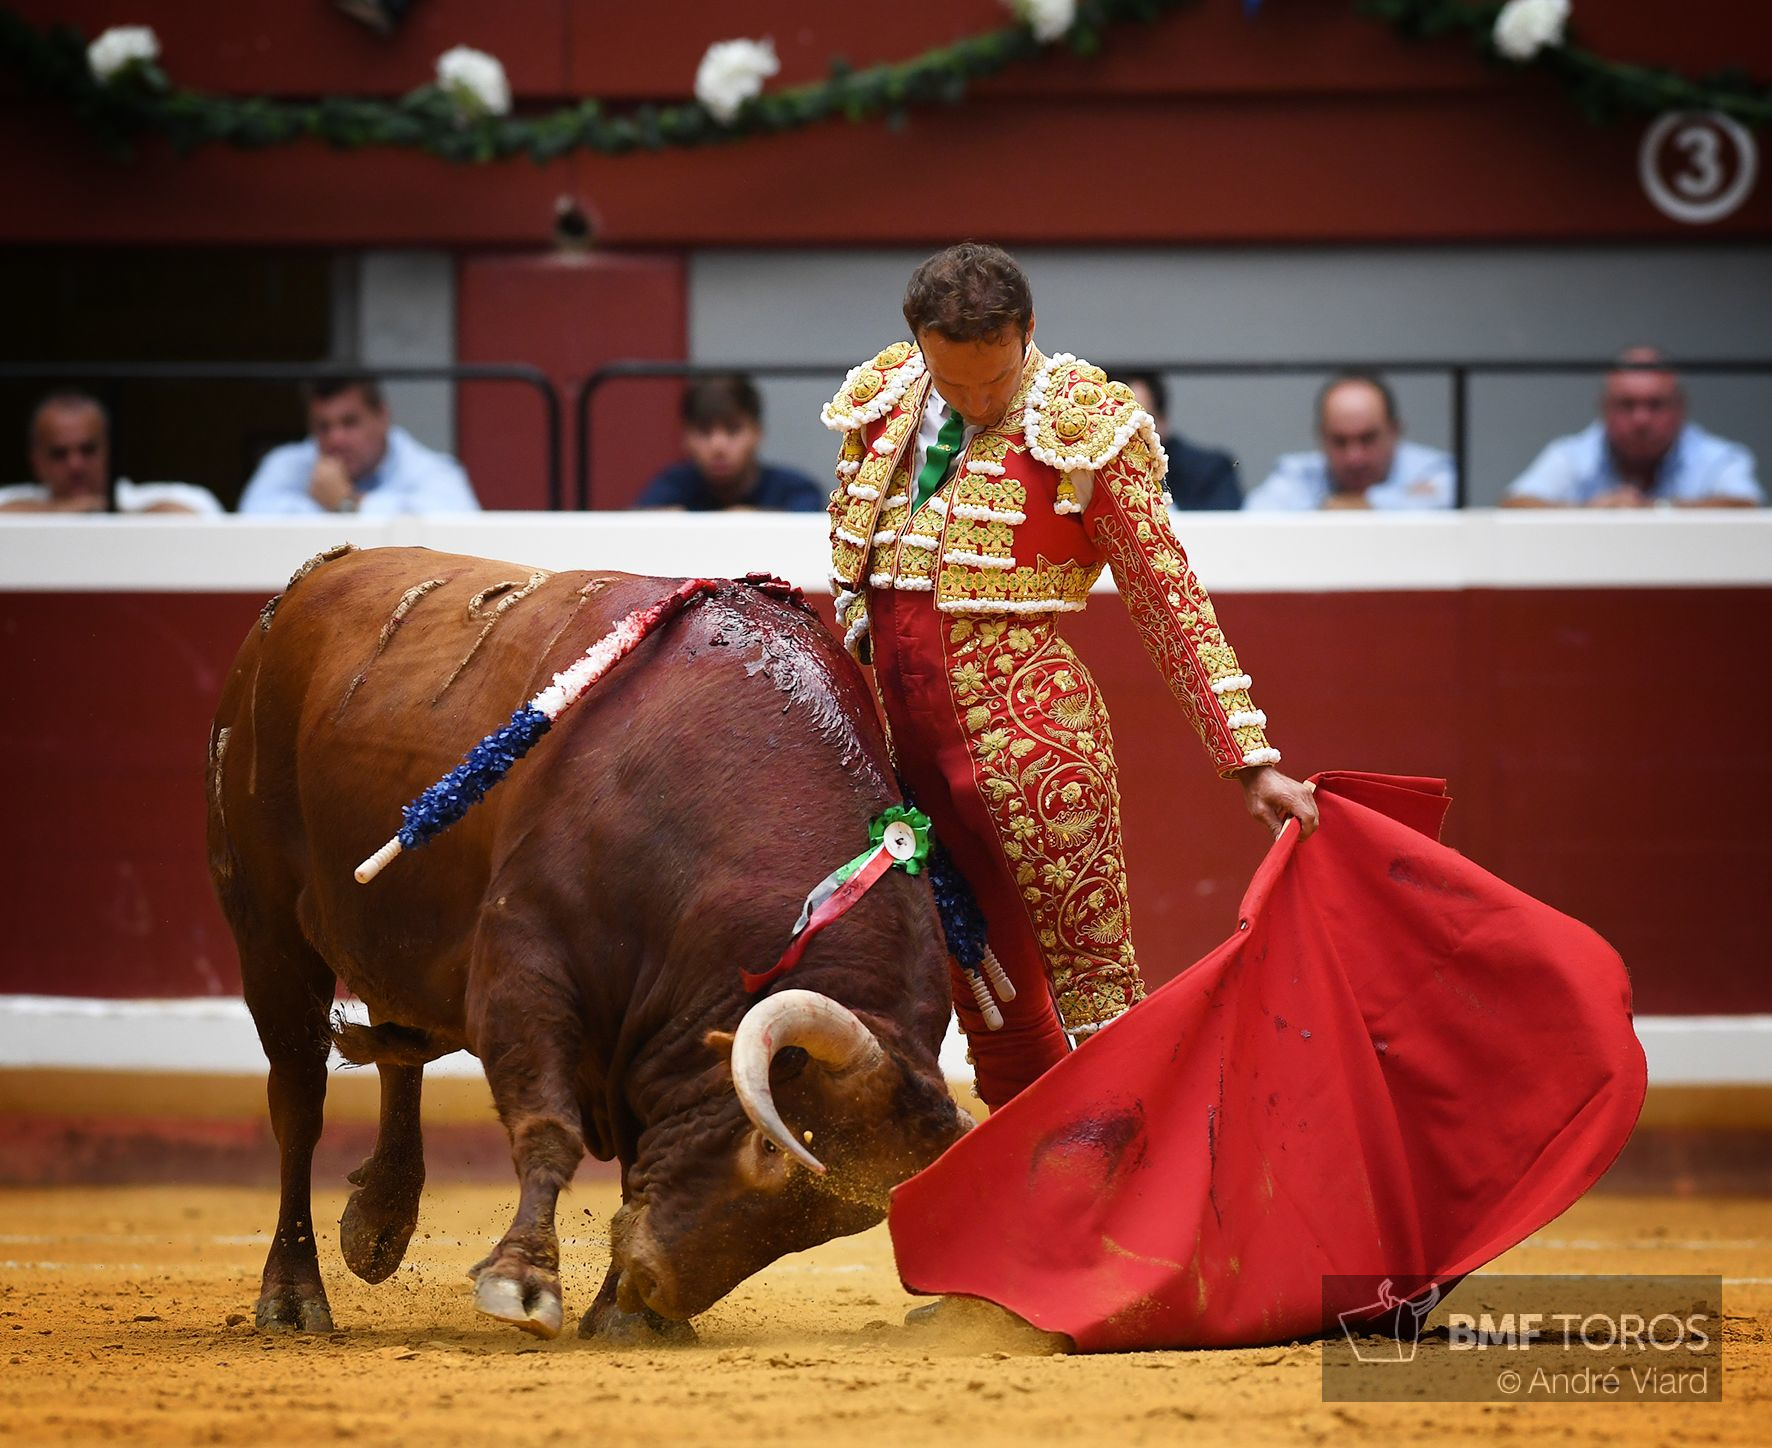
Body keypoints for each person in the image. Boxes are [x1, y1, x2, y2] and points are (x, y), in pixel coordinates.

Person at [823, 242, 1317, 1111]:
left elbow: (1167, 596)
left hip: (1032, 744)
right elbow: (855, 571)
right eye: (956, 383)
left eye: (995, 380)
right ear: (919, 346)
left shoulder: (1083, 423)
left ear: (1031, 333)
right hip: (903, 747)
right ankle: (1040, 1190)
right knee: (986, 985)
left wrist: (1250, 759)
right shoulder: (888, 399)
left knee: (1096, 990)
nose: (978, 402)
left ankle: (1142, 1180)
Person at [1503, 346, 1763, 508]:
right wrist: (1590, 514)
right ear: (1604, 408)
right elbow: (1516, 504)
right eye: (1627, 405)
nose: (1641, 420)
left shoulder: (1719, 457)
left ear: (1680, 408)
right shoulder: (1570, 454)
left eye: (1655, 405)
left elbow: (1746, 505)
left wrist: (1655, 509)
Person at [238, 375, 478, 516]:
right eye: (323, 427)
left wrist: (348, 504)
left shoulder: (433, 470)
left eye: (350, 422)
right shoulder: (285, 464)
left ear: (383, 417)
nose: (335, 439)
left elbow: (459, 529)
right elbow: (248, 526)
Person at [1243, 371, 1454, 511]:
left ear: (1395, 432)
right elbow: (1255, 519)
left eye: (1368, 439)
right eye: (1340, 441)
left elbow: (1448, 499)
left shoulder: (1433, 469)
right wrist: (1396, 502)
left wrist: (1358, 505)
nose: (1355, 458)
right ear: (1322, 437)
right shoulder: (1298, 473)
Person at [0, 391, 221, 515]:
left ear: (110, 451)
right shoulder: (12, 501)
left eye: (88, 450)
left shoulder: (166, 497)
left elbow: (199, 516)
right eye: (59, 454)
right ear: (36, 461)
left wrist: (108, 515)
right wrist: (59, 512)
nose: (76, 464)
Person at [636, 375, 825, 512]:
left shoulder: (797, 490)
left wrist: (756, 521)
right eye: (704, 431)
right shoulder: (670, 486)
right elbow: (634, 526)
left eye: (733, 430)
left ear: (757, 433)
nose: (718, 446)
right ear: (686, 437)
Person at [1117, 369, 1243, 511]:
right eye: (1115, 422)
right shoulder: (1090, 476)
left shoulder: (1207, 472)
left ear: (1162, 420)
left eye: (1138, 422)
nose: (1127, 432)